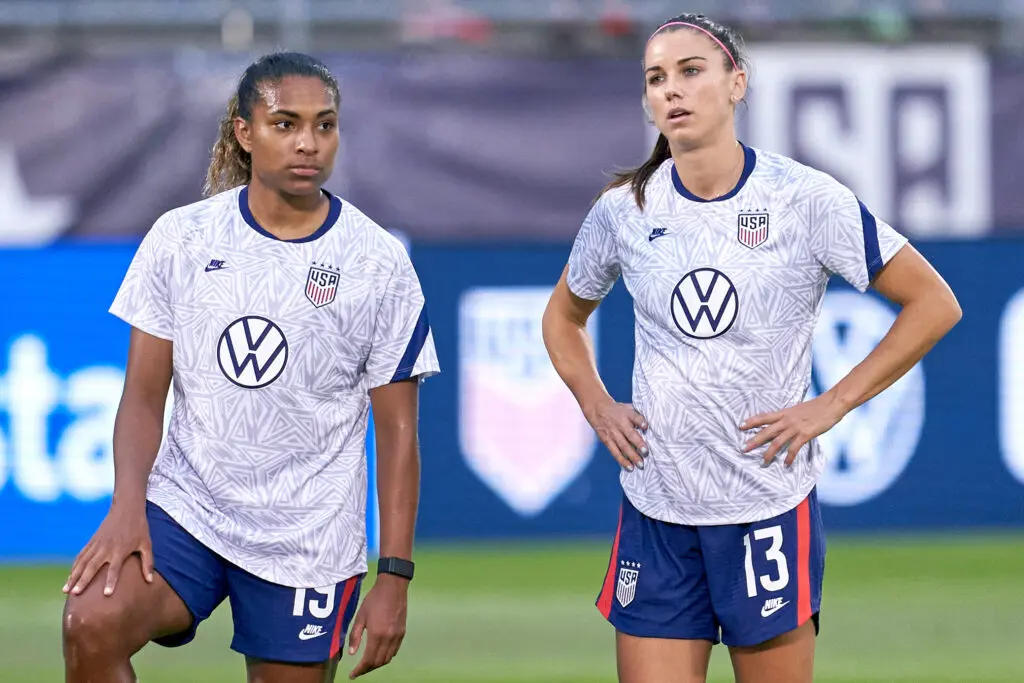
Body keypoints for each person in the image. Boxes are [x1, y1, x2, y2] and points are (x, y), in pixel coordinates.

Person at [542, 13, 961, 683]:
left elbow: (934, 303)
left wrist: (831, 404)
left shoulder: (805, 200)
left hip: (765, 508)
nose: (671, 90)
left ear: (738, 83)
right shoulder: (624, 210)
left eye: (690, 71)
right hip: (658, 510)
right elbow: (563, 317)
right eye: (656, 77)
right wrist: (596, 402)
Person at [61, 52, 439, 683]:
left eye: (324, 125)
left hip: (309, 539)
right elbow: (143, 395)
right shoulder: (182, 238)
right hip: (190, 510)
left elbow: (399, 434)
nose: (308, 143)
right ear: (244, 131)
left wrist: (394, 576)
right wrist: (128, 506)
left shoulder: (378, 261)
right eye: (285, 124)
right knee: (90, 622)